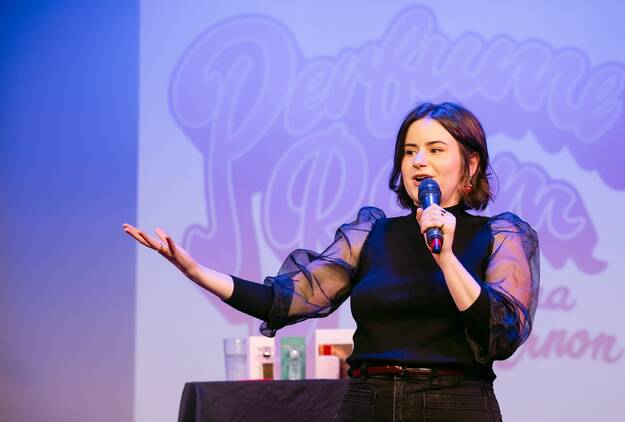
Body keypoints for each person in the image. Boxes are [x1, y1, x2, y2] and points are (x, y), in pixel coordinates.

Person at [123, 102, 539, 421]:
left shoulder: (497, 235)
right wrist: (195, 270)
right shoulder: (373, 233)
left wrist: (446, 258)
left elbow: (498, 336)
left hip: (454, 404)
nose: (418, 161)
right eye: (409, 151)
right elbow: (284, 300)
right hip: (366, 402)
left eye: (435, 149)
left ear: (471, 163)